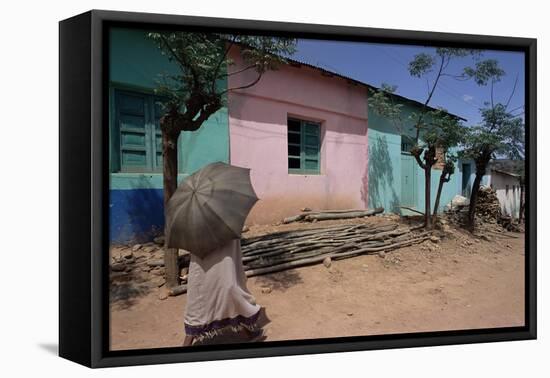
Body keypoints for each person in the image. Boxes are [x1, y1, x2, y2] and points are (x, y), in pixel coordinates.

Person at [182, 238, 263, 346]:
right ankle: (187, 343)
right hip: (207, 252)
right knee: (207, 294)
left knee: (227, 290)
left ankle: (245, 331)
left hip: (220, 248)